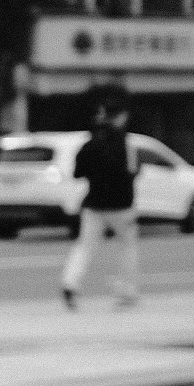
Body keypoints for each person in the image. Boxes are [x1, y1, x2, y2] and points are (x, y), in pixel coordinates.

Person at [61, 90, 140, 310]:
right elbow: (132, 172)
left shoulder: (89, 144)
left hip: (93, 203)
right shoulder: (126, 143)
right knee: (127, 247)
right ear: (120, 116)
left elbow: (77, 173)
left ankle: (70, 282)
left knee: (85, 246)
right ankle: (127, 292)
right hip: (121, 204)